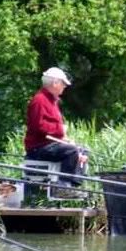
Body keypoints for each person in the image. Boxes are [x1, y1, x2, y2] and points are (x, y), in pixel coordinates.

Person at [24, 67, 88, 196]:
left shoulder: (52, 101)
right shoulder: (40, 100)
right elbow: (39, 127)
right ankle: (62, 187)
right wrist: (60, 130)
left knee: (82, 150)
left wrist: (65, 138)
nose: (64, 87)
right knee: (72, 151)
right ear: (54, 83)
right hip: (39, 148)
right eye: (63, 84)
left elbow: (50, 130)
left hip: (48, 144)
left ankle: (73, 185)